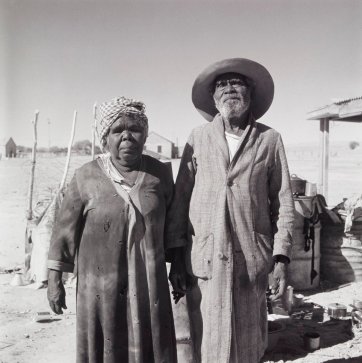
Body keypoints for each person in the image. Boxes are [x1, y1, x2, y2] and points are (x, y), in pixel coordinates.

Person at [166, 58, 295, 363]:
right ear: (213, 98)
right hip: (205, 258)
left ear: (251, 92)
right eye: (221, 85)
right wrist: (175, 258)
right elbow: (180, 200)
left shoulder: (269, 139)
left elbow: (285, 201)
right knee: (207, 342)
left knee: (249, 343)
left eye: (237, 82)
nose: (229, 89)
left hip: (251, 259)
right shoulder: (197, 138)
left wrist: (281, 259)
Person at [47, 96, 178, 363]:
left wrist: (179, 267)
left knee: (151, 343)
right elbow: (63, 232)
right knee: (102, 346)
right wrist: (54, 280)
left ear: (145, 136)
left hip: (148, 285)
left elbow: (175, 226)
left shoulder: (160, 174)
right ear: (105, 138)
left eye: (135, 130)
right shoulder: (85, 176)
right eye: (118, 130)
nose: (127, 136)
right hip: (98, 287)